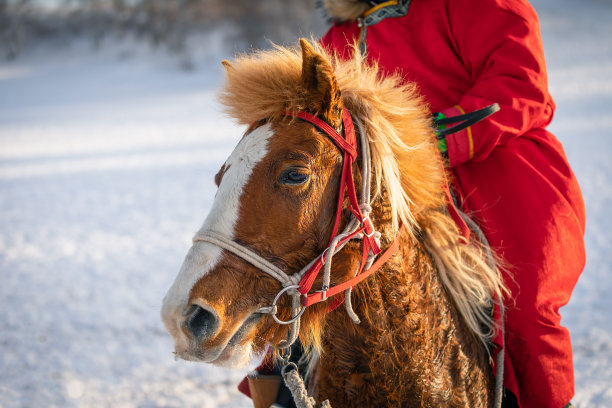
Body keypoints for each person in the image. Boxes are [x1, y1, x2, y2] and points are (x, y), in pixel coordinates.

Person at [319, 0, 586, 407]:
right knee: (308, 291)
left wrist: (439, 138)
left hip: (501, 176)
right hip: (392, 196)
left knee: (524, 311)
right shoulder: (339, 38)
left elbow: (520, 85)